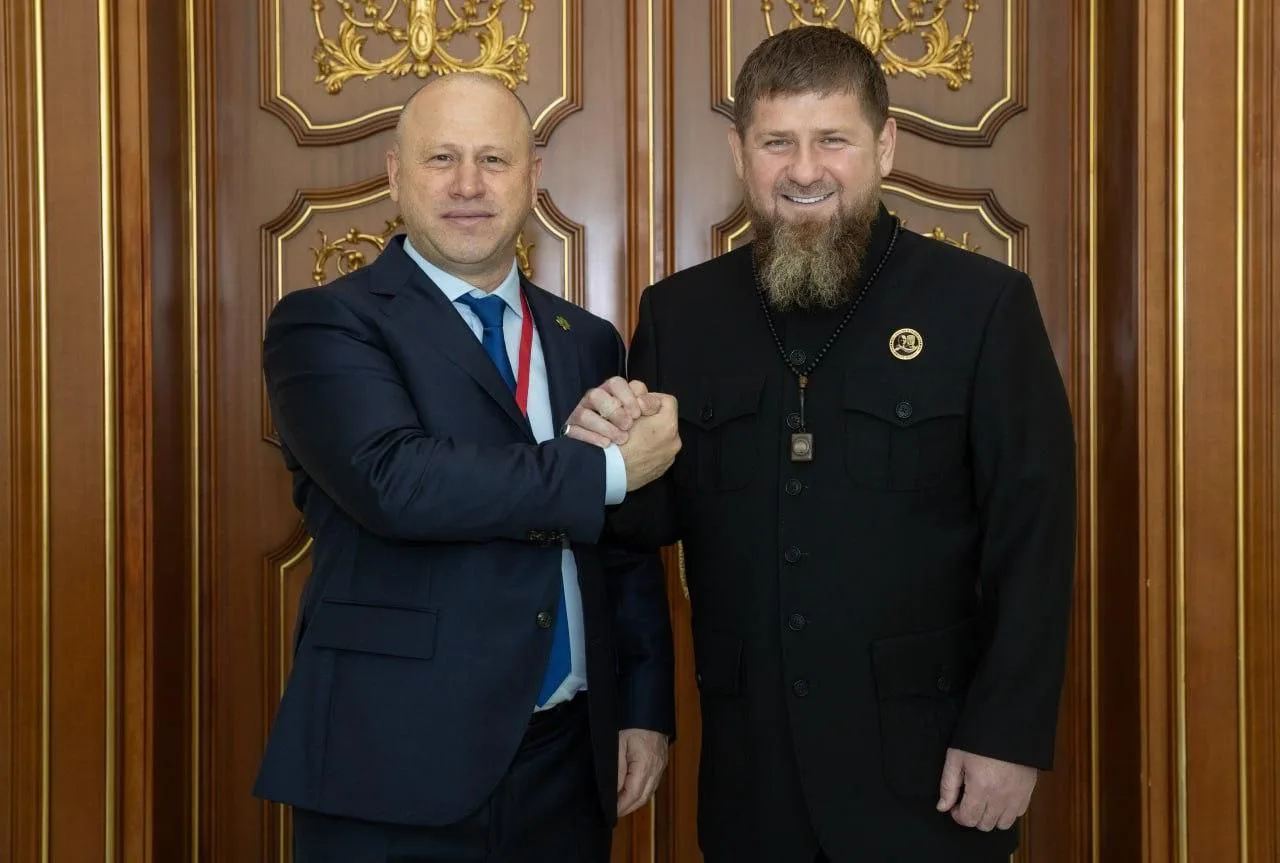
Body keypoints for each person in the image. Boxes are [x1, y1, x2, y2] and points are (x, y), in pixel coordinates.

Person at [568, 26, 1076, 863]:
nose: (805, 170)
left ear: (885, 145)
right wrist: (604, 454)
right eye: (778, 142)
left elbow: (1035, 538)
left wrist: (1008, 734)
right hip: (751, 777)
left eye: (832, 139)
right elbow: (646, 526)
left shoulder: (982, 306)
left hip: (931, 772)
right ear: (740, 153)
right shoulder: (680, 315)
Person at [254, 72, 680, 863]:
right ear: (395, 174)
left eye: (493, 159)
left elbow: (622, 547)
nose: (468, 185)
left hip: (567, 763)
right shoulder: (327, 324)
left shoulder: (586, 339)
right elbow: (399, 482)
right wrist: (607, 472)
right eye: (441, 158)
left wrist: (643, 707)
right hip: (392, 763)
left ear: (533, 177)